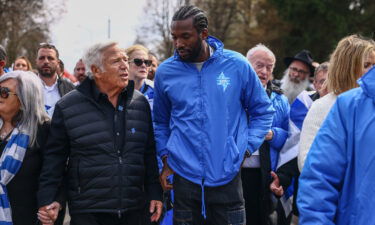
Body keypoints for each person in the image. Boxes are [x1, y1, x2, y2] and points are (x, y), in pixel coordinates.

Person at [153, 6, 274, 224]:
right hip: (184, 180)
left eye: (185, 36)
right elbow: (160, 122)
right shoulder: (165, 72)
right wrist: (165, 157)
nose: (179, 43)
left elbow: (263, 111)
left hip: (227, 177)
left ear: (204, 34)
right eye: (175, 37)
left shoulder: (236, 65)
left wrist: (244, 149)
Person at [37, 41, 163, 225]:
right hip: (89, 211)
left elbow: (148, 153)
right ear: (96, 70)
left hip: (135, 209)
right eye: (116, 61)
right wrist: (49, 199)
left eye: (125, 60)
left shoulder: (140, 103)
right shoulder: (67, 107)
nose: (124, 66)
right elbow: (54, 160)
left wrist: (155, 193)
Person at [297, 52, 375, 225]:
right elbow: (315, 170)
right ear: (349, 66)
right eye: (366, 64)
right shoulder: (346, 105)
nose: (369, 69)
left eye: (372, 64)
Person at [298, 35, 375, 172]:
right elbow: (307, 163)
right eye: (366, 65)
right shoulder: (323, 106)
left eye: (374, 65)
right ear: (347, 68)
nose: (373, 71)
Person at [0, 70, 64, 225]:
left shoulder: (43, 129)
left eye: (4, 92)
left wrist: (56, 202)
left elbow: (57, 173)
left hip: (27, 217)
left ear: (24, 99)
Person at [245, 44, 290, 225]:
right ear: (247, 65)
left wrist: (272, 134)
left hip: (265, 174)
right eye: (259, 65)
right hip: (236, 171)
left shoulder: (281, 100)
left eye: (269, 67)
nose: (264, 71)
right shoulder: (232, 95)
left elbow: (289, 139)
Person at [35, 43, 75, 116]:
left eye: (50, 58)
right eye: (42, 58)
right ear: (36, 61)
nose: (46, 61)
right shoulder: (26, 87)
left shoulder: (70, 89)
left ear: (58, 62)